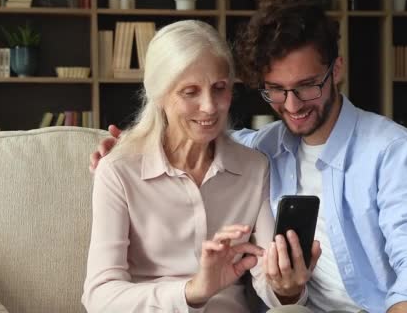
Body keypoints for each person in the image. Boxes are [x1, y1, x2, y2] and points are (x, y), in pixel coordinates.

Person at [90, 0, 407, 313]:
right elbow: (192, 135)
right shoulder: (264, 148)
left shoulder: (394, 151)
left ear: (336, 69)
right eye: (276, 89)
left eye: (308, 86)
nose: (292, 105)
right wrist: (128, 146)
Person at [81, 20, 321, 313]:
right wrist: (192, 292)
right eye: (190, 92)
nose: (209, 106)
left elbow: (266, 279)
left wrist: (288, 289)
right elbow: (99, 297)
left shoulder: (253, 168)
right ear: (159, 94)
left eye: (219, 88)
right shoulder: (118, 170)